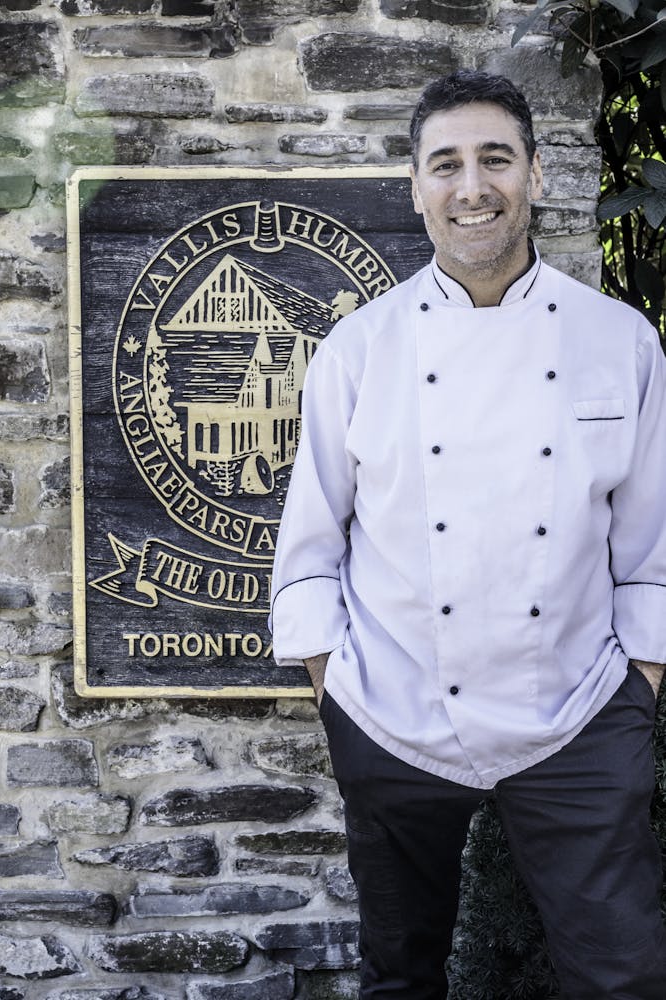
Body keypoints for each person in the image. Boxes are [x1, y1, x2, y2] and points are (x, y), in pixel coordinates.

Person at [269, 70, 666, 999]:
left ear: (533, 173)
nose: (471, 186)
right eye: (445, 164)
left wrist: (636, 688)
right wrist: (336, 685)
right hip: (392, 711)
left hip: (574, 711)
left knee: (623, 974)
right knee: (398, 975)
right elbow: (311, 542)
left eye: (495, 159)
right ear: (416, 188)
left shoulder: (621, 342)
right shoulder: (359, 349)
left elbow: (650, 543)